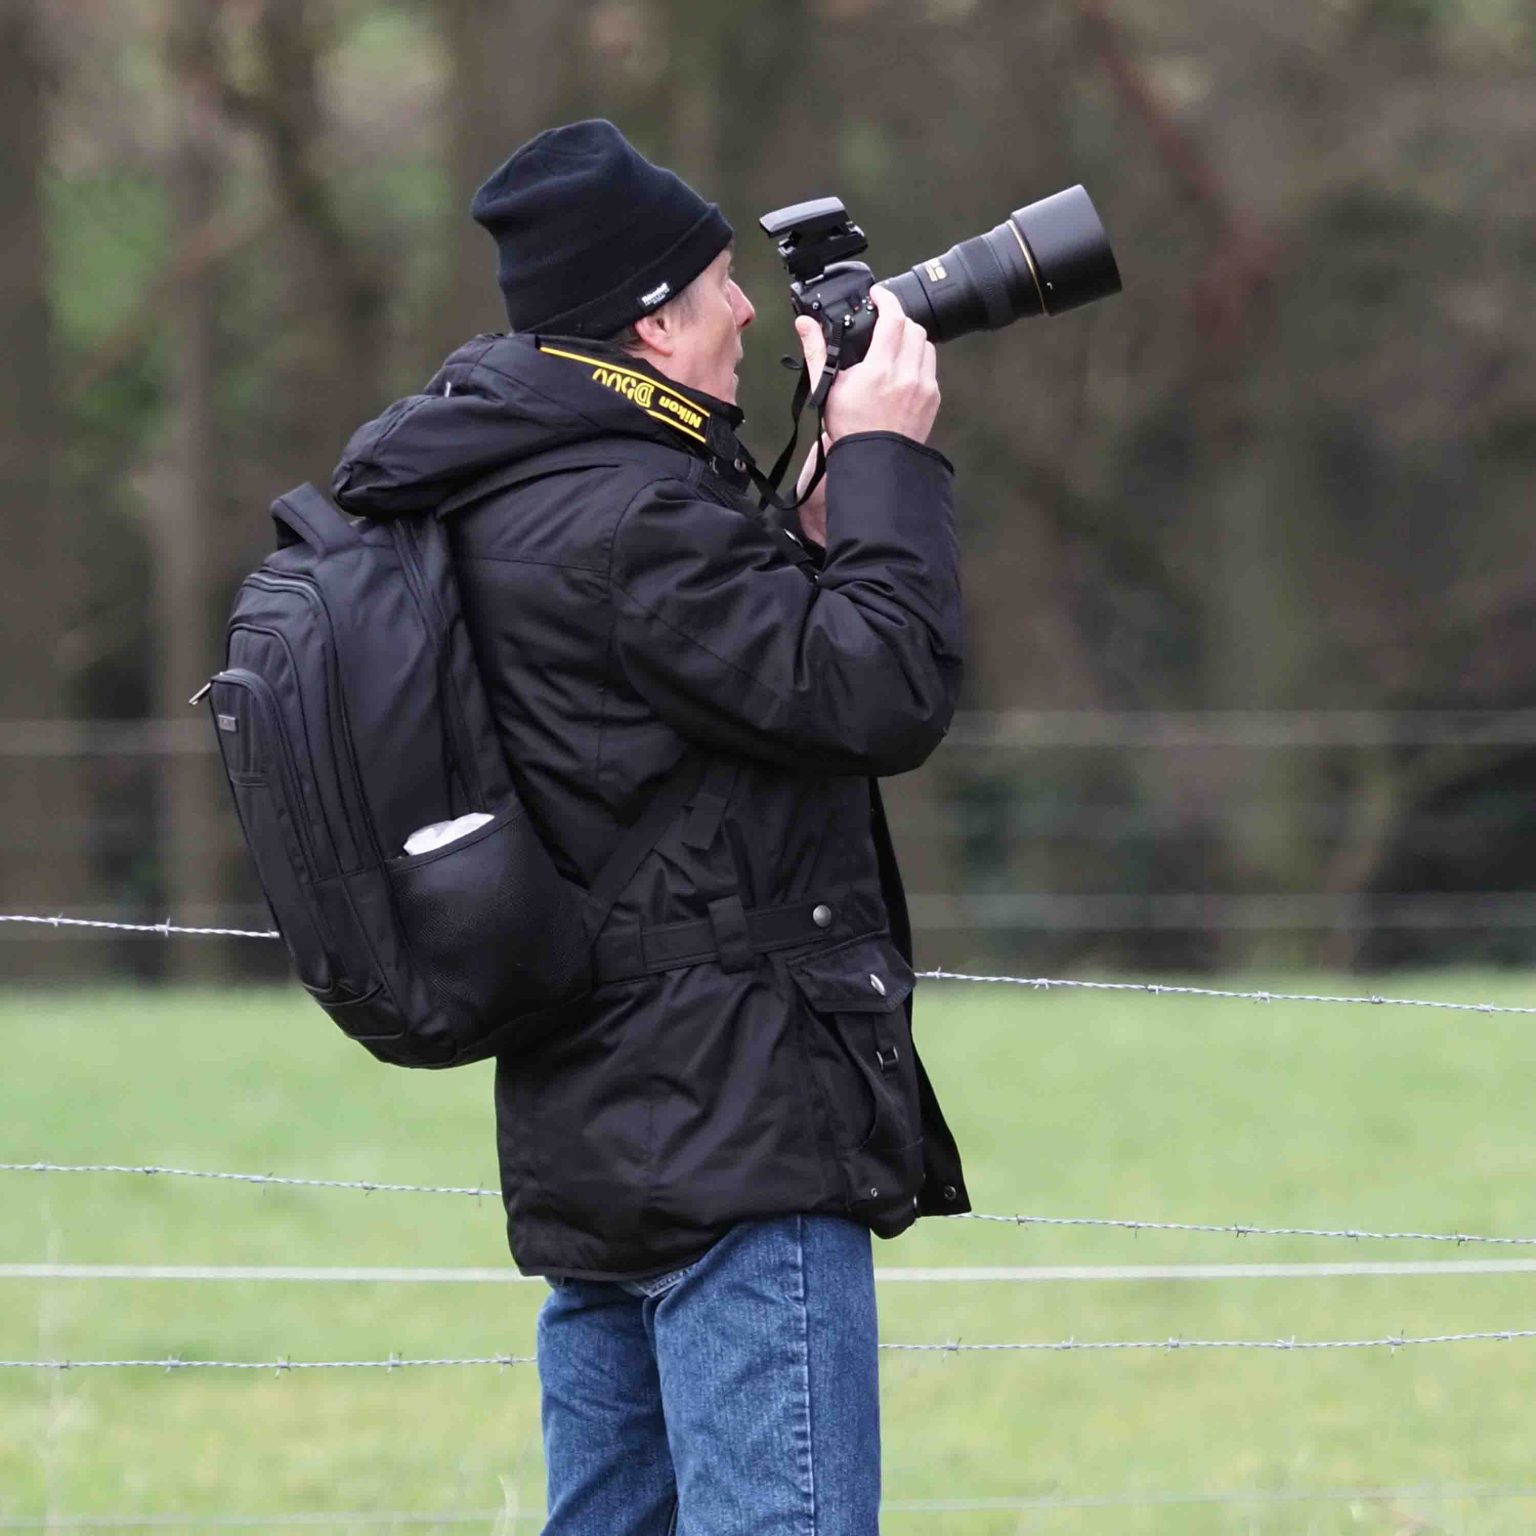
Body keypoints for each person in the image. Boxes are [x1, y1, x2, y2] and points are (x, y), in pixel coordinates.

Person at [332, 119, 970, 1536]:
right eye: (720, 283)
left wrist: (804, 530)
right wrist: (880, 464)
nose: (751, 309)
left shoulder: (509, 494)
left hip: (604, 1129)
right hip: (737, 1135)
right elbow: (880, 694)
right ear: (647, 320)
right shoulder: (633, 517)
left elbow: (701, 721)